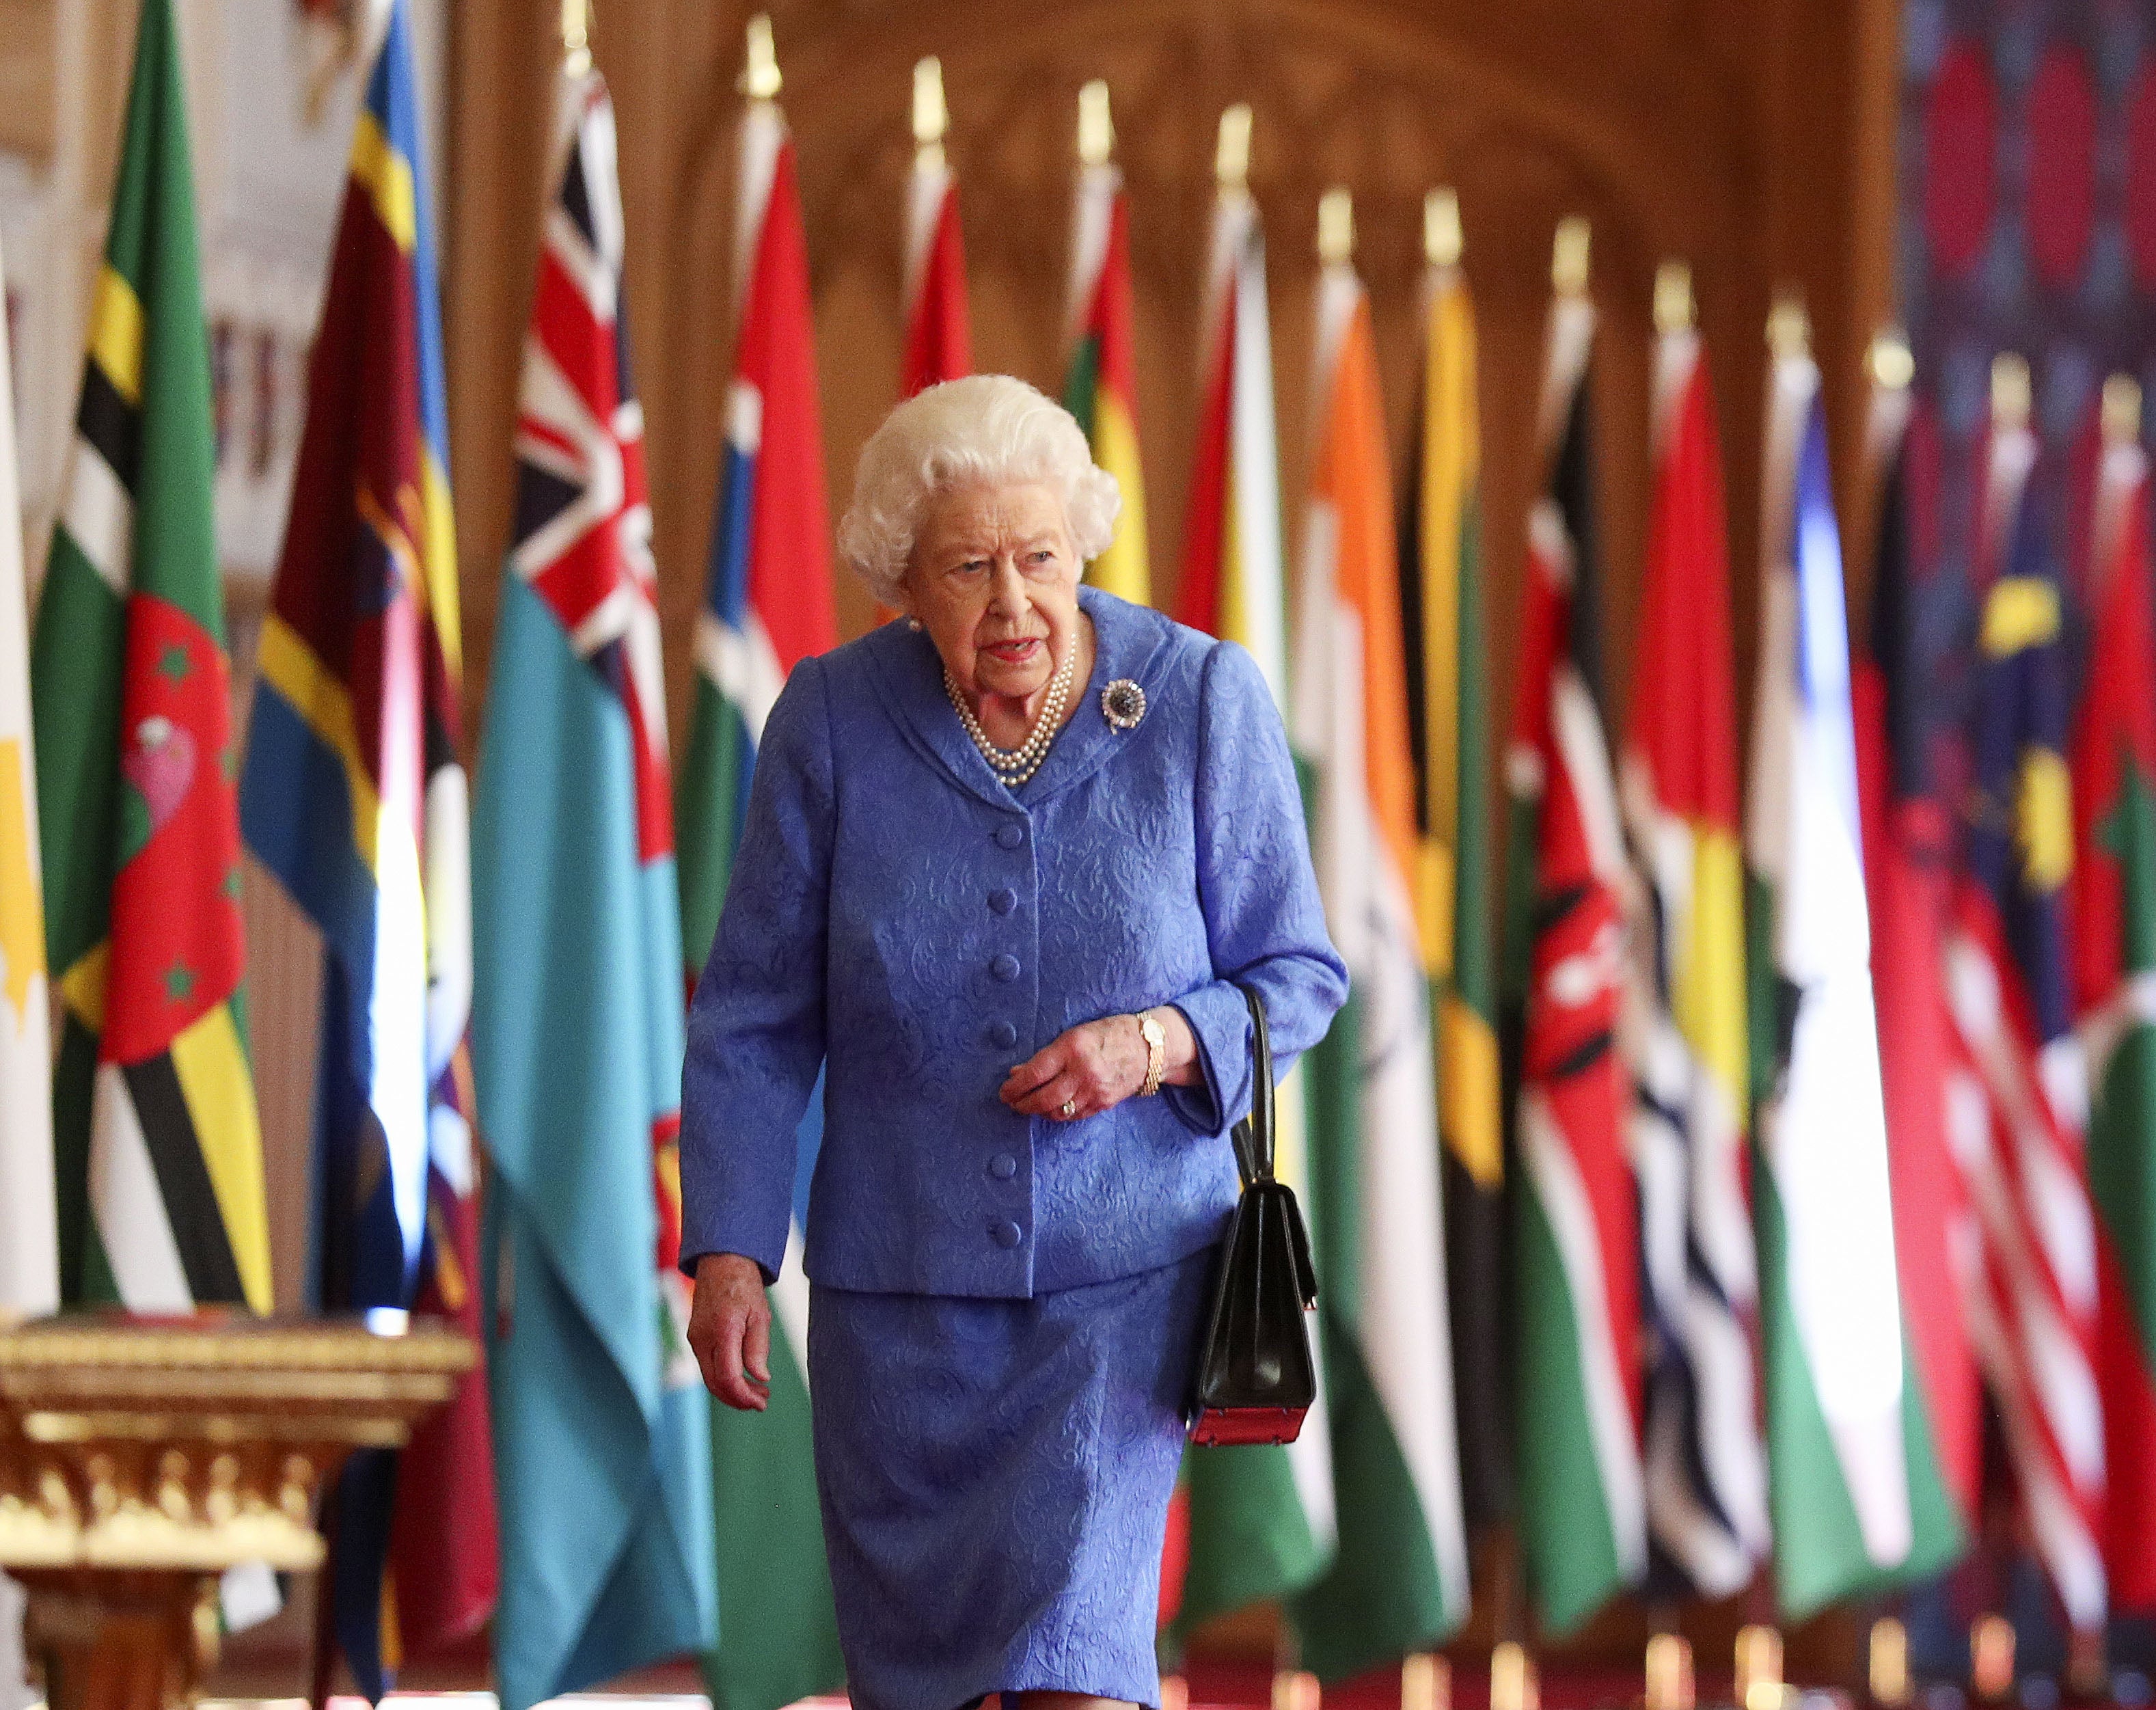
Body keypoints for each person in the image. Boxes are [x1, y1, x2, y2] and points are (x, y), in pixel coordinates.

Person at [680, 372, 1346, 1710]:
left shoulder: (1203, 701)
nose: (1011, 604)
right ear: (901, 581)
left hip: (1122, 1290)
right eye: (967, 567)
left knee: (1076, 1677)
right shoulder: (829, 721)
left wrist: (1156, 1042)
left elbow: (1302, 975)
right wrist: (732, 1254)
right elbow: (754, 1017)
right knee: (918, 1690)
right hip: (897, 1313)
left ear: (1080, 544)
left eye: (1038, 557)